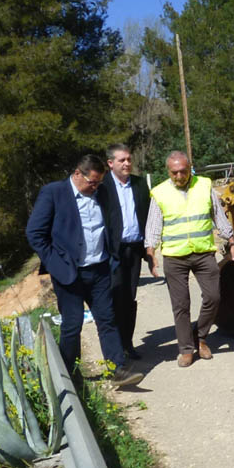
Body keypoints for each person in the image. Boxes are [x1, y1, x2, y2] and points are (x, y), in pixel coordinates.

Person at [26, 154, 143, 388]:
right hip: (69, 272)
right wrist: (55, 262)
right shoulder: (54, 193)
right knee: (73, 324)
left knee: (107, 319)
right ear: (77, 174)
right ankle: (70, 375)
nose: (95, 187)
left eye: (99, 183)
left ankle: (116, 368)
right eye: (92, 182)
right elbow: (35, 233)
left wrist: (113, 256)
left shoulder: (101, 193)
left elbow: (111, 224)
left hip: (99, 269)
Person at [145, 151, 234, 368]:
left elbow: (219, 216)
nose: (179, 176)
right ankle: (186, 349)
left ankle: (202, 337)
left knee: (213, 297)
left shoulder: (205, 186)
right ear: (168, 171)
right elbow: (153, 227)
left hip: (203, 253)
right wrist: (151, 253)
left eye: (183, 171)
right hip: (174, 256)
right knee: (181, 305)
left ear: (190, 168)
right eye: (174, 172)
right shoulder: (159, 193)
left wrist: (232, 242)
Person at [99, 143, 151, 359]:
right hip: (113, 251)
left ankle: (127, 343)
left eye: (129, 159)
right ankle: (115, 348)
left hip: (134, 250)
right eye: (122, 160)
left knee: (129, 297)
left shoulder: (139, 185)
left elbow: (148, 215)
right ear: (110, 163)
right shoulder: (102, 187)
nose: (127, 163)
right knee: (113, 297)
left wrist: (150, 249)